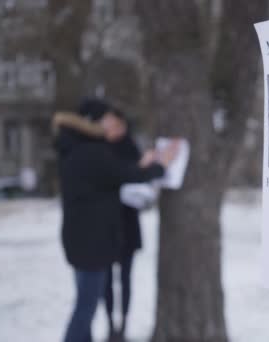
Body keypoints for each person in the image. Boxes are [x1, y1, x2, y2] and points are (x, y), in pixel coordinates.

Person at [53, 98, 178, 342]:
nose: (114, 126)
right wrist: (161, 165)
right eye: (109, 121)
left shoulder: (76, 149)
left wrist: (139, 166)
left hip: (81, 241)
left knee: (85, 305)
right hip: (92, 245)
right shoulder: (92, 152)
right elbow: (127, 173)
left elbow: (114, 174)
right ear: (93, 123)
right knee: (85, 309)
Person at [104, 110, 143, 340]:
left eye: (116, 124)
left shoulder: (131, 148)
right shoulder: (99, 149)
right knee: (106, 282)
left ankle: (124, 324)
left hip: (128, 224)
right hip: (106, 226)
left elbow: (140, 180)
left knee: (126, 279)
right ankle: (110, 324)